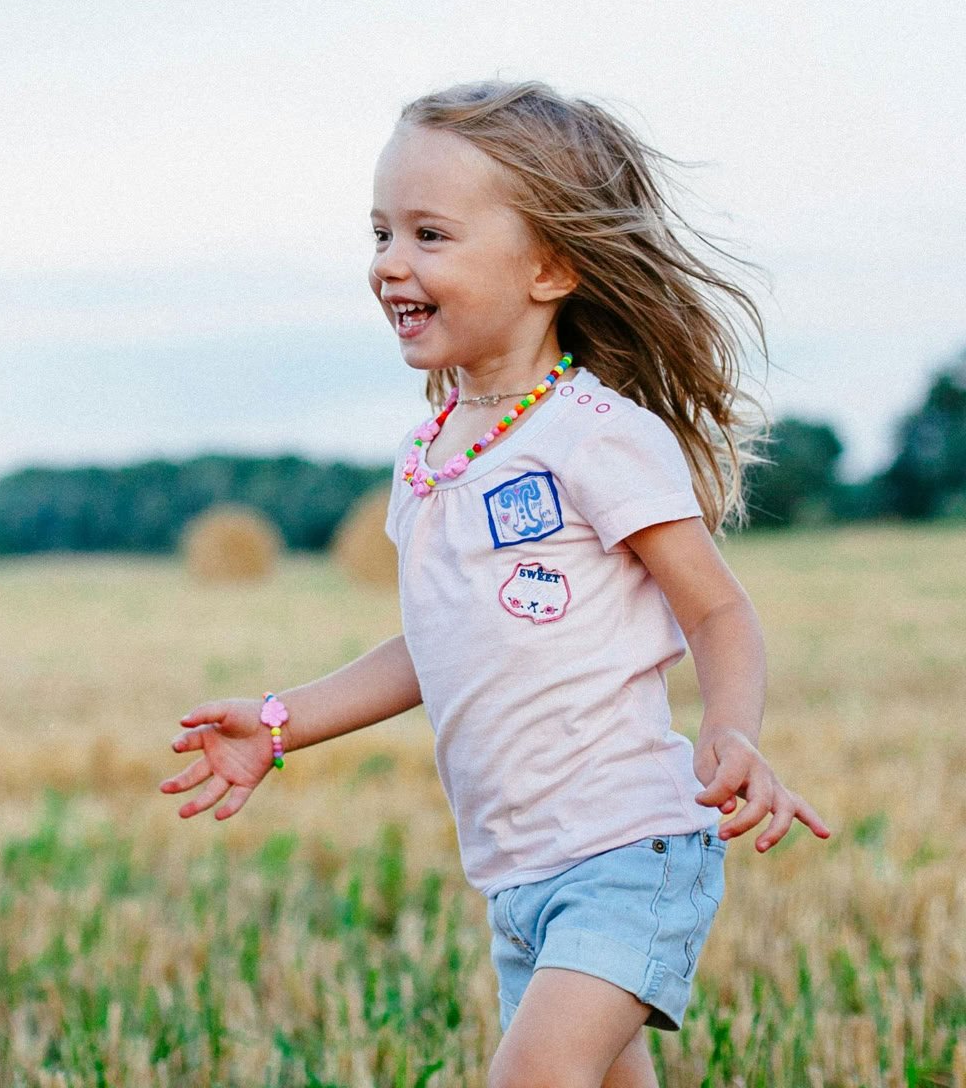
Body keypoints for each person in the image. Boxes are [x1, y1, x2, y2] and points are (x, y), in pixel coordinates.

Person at [159, 79, 832, 1086]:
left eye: (430, 234)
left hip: (625, 849)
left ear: (549, 266)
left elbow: (714, 606)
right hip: (516, 874)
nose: (390, 262)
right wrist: (281, 719)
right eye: (380, 231)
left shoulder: (598, 436)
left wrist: (729, 729)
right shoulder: (428, 453)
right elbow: (434, 642)